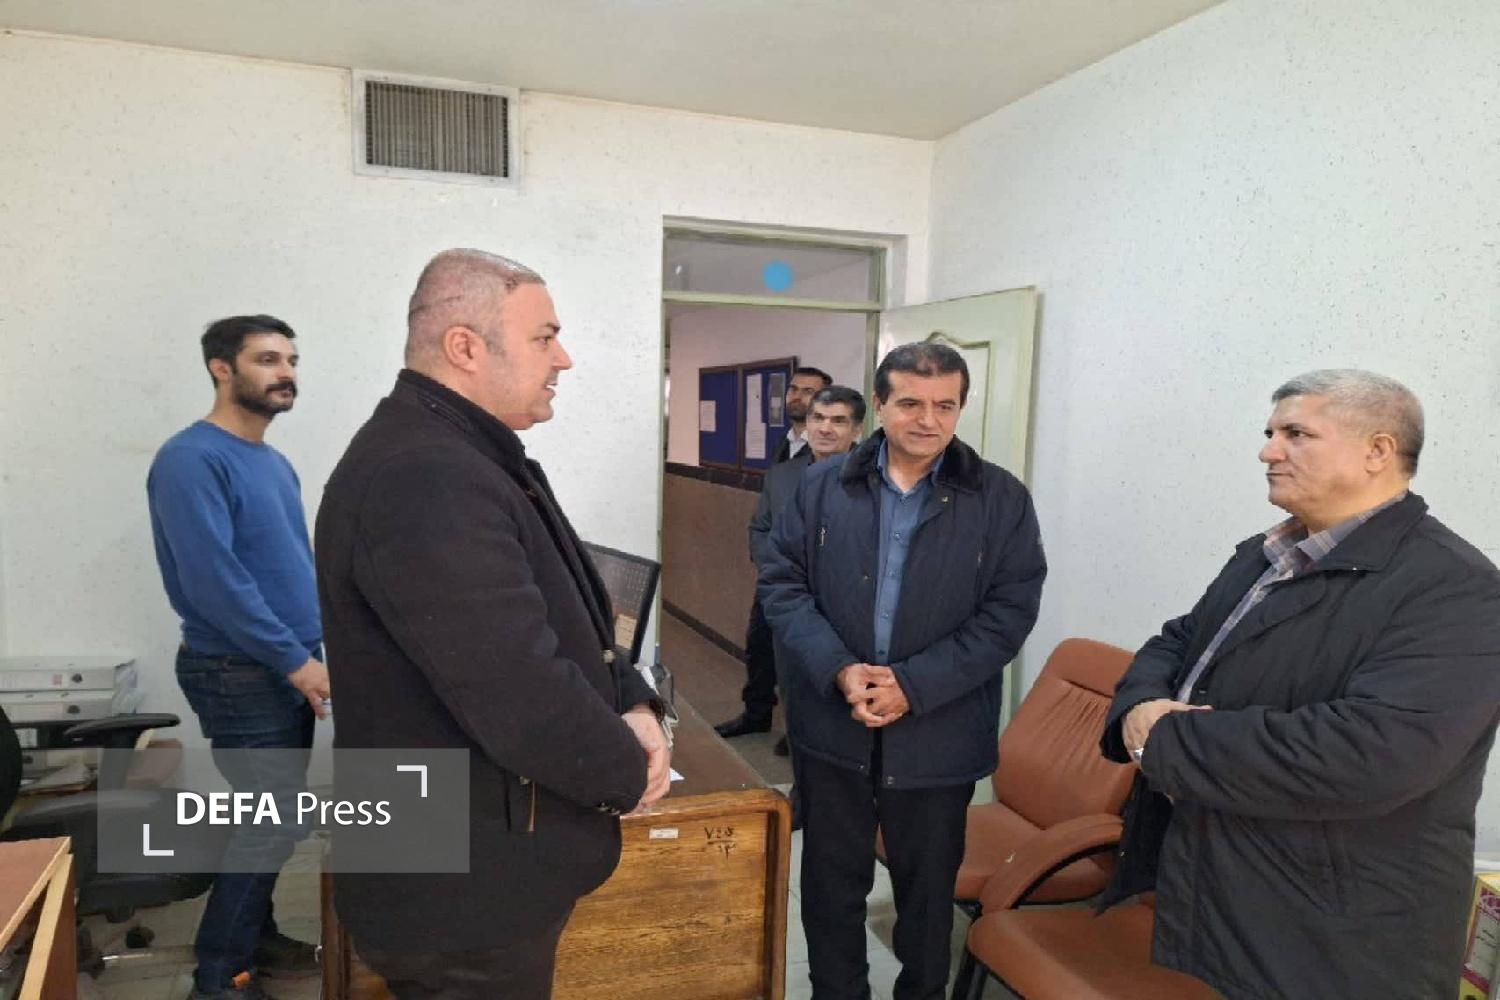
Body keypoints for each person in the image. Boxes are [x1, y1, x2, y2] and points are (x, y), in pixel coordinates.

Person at [315, 249, 672, 999]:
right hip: (462, 894)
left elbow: (573, 615)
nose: (563, 359)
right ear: (465, 347)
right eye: (545, 338)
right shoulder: (425, 473)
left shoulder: (461, 452)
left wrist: (635, 701)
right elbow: (517, 690)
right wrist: (630, 770)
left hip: (470, 865)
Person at [1099, 369, 1500, 999]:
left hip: (1335, 933)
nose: (1268, 452)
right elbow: (1181, 638)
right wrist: (1139, 706)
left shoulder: (1456, 588)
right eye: (1269, 433)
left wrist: (1161, 742)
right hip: (1228, 885)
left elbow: (1366, 755)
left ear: (1377, 451)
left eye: (1295, 434)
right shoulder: (1269, 554)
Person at [761, 343, 1046, 1000]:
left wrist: (913, 685)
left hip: (938, 732)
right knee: (831, 885)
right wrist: (838, 668)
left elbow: (1010, 611)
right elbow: (782, 583)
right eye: (911, 403)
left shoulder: (1000, 497)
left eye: (945, 405)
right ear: (881, 405)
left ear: (961, 409)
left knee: (926, 896)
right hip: (833, 726)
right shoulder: (822, 487)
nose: (928, 419)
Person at [146, 314, 329, 1000]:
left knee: (269, 821)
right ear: (221, 369)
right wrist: (295, 661)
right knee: (271, 822)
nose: (285, 373)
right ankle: (219, 977)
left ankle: (256, 935)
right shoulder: (192, 459)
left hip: (281, 666)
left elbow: (287, 568)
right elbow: (214, 582)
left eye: (291, 360)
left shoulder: (273, 463)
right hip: (241, 671)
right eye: (266, 360)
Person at [750, 386, 866, 761]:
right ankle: (800, 756)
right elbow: (760, 529)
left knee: (840, 691)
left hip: (846, 608)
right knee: (791, 681)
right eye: (818, 418)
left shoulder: (874, 479)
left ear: (858, 430)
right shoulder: (783, 475)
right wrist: (778, 573)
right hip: (789, 601)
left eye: (838, 421)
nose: (825, 428)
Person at [717, 365, 831, 740]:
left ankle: (799, 729)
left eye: (809, 391)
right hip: (775, 575)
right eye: (794, 389)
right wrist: (771, 566)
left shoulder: (833, 455)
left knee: (800, 654)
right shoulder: (785, 445)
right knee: (761, 646)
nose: (798, 396)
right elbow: (762, 521)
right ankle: (757, 713)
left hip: (813, 580)